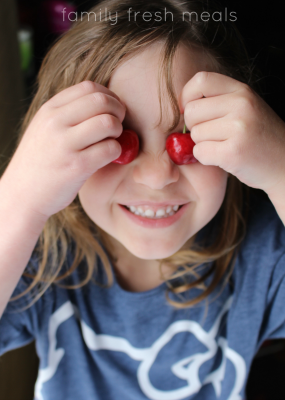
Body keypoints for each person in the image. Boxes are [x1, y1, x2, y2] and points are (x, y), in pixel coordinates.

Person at [1, 0, 285, 399]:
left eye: (191, 137)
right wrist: (20, 198)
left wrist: (282, 167)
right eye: (113, 138)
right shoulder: (38, 257)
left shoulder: (264, 256)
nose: (156, 177)